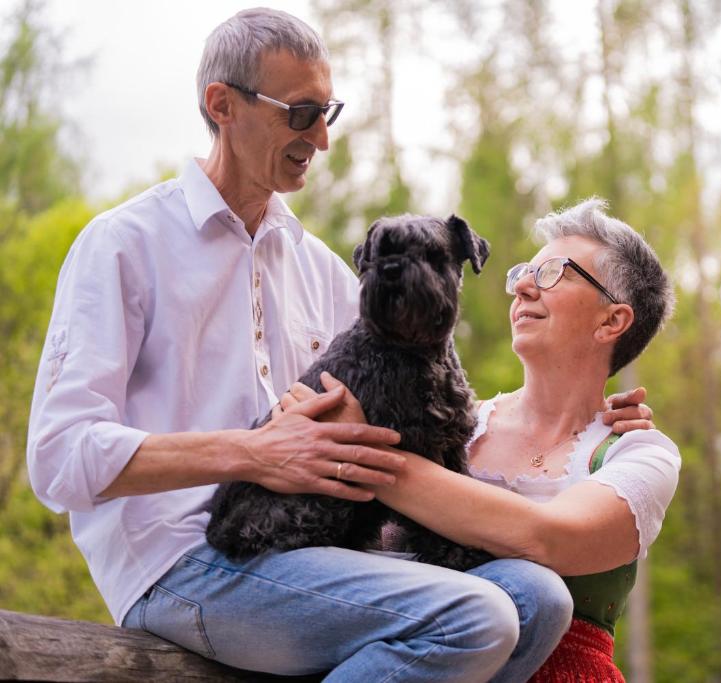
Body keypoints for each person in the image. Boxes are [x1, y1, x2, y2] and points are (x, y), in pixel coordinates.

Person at [25, 10, 651, 681]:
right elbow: (57, 458)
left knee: (540, 598)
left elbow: (417, 406)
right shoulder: (123, 245)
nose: (321, 138)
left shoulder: (323, 269)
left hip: (316, 549)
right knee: (478, 616)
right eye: (300, 113)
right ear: (222, 105)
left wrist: (580, 416)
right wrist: (252, 452)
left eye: (329, 112)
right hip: (175, 561)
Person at [282, 198, 679, 681]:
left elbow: (549, 538)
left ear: (612, 321)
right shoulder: (454, 421)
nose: (525, 287)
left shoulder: (639, 452)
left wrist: (361, 450)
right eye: (523, 273)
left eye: (555, 272)